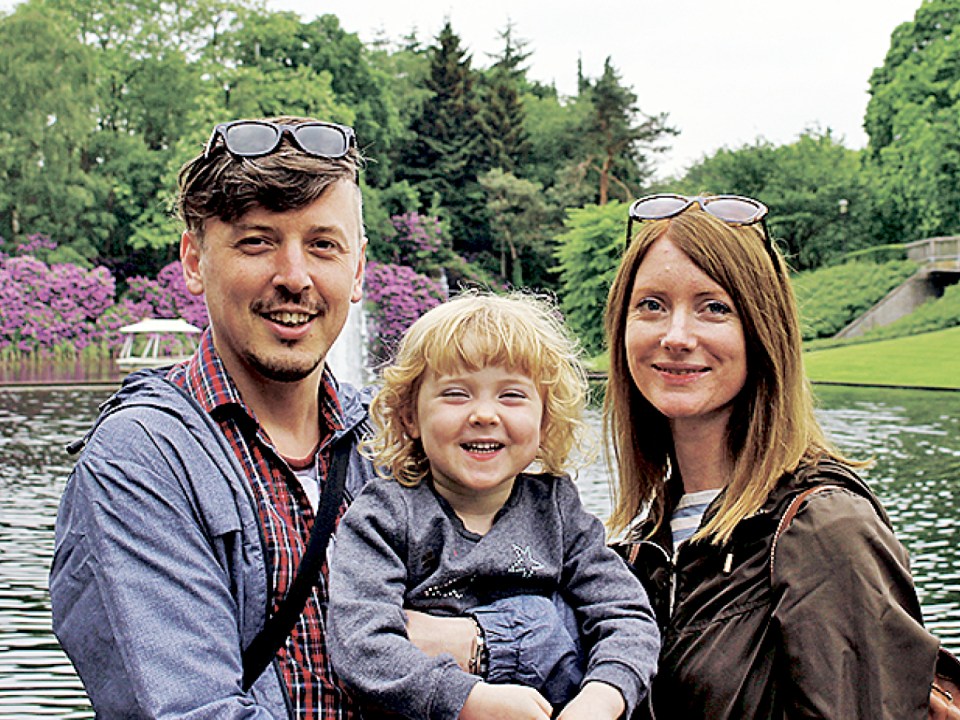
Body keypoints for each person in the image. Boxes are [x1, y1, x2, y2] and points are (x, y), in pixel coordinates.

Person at [49, 116, 592, 718]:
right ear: (194, 260)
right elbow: (191, 710)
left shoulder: (393, 441)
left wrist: (484, 643)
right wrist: (481, 645)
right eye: (257, 240)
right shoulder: (143, 462)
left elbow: (586, 613)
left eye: (322, 245)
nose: (295, 277)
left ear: (357, 269)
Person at [603, 193, 944, 719]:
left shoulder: (824, 528)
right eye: (651, 305)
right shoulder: (640, 543)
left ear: (763, 332)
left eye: (714, 307)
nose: (675, 335)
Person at [326, 291, 660, 720]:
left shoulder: (557, 510)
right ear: (409, 415)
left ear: (545, 420)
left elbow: (626, 615)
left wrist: (601, 697)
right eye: (456, 394)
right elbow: (360, 643)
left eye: (512, 396)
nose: (484, 414)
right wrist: (468, 699)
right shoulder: (385, 515)